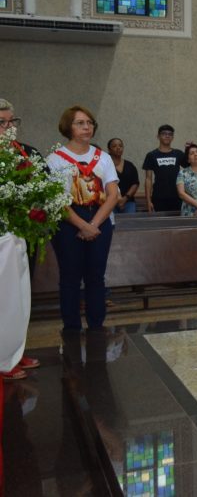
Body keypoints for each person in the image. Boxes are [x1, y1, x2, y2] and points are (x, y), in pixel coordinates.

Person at [46, 106, 120, 334]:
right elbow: (57, 201)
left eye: (89, 122)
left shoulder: (104, 158)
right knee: (70, 276)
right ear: (68, 127)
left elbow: (113, 195)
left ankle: (97, 325)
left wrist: (94, 225)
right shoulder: (54, 159)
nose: (87, 127)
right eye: (80, 123)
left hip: (99, 218)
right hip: (68, 220)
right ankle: (71, 327)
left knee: (96, 275)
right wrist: (81, 225)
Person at [0, 99, 41, 383]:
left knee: (20, 296)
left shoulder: (20, 151)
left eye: (12, 122)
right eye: (2, 123)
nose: (9, 128)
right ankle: (4, 359)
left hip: (17, 234)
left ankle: (14, 350)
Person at [142, 124, 185, 212]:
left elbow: (190, 167)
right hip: (158, 197)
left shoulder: (178, 153)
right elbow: (148, 179)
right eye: (164, 133)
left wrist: (188, 149)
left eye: (170, 134)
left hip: (177, 196)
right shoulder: (151, 155)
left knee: (177, 224)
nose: (167, 136)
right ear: (158, 136)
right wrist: (148, 200)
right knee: (159, 224)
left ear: (172, 137)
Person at [106, 138, 139, 214]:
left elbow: (135, 183)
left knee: (130, 224)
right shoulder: (105, 165)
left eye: (120, 146)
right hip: (110, 202)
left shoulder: (130, 165)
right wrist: (116, 199)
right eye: (114, 146)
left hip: (128, 202)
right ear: (109, 149)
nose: (118, 148)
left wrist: (125, 198)